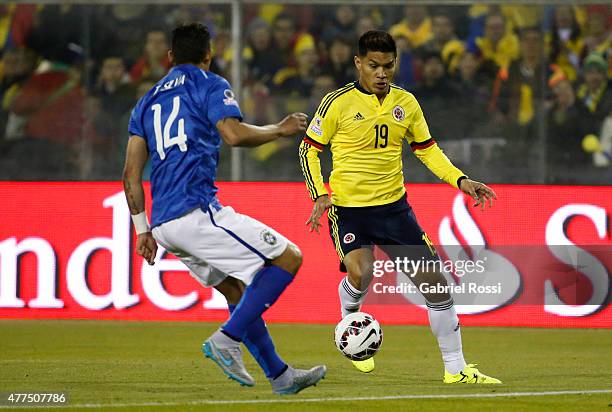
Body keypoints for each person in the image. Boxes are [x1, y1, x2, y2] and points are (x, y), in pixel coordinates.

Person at [122, 23, 325, 394]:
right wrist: (278, 129)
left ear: (169, 57)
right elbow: (233, 134)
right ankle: (226, 338)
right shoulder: (210, 83)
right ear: (208, 55)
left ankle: (281, 377)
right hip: (196, 210)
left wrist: (142, 229)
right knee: (288, 257)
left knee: (234, 290)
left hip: (164, 224)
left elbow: (130, 175)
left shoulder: (146, 100)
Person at [299, 30, 501, 384]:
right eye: (374, 66)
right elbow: (308, 149)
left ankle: (456, 369)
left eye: (388, 66)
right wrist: (320, 194)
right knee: (362, 273)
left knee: (436, 286)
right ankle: (350, 319)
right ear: (358, 63)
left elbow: (427, 149)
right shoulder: (337, 103)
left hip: (394, 210)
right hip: (349, 210)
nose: (381, 73)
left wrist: (461, 180)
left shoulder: (405, 103)